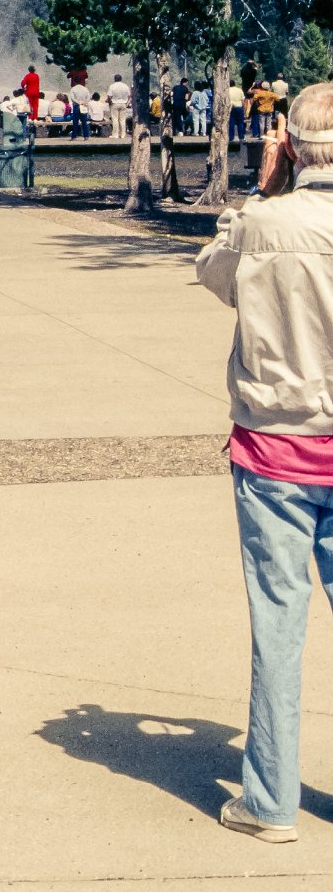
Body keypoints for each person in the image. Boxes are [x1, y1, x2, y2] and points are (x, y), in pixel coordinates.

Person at [195, 83, 333, 844]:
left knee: (278, 627)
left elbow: (212, 274)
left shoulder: (258, 225)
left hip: (276, 450)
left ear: (290, 146)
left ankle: (271, 802)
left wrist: (264, 189)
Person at [105, 73, 131, 141]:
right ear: (121, 79)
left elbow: (109, 96)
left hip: (114, 103)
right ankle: (123, 135)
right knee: (122, 120)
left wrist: (109, 102)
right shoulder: (125, 86)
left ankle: (115, 134)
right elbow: (129, 96)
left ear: (114, 79)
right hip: (123, 104)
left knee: (115, 119)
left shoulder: (112, 86)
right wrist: (127, 103)